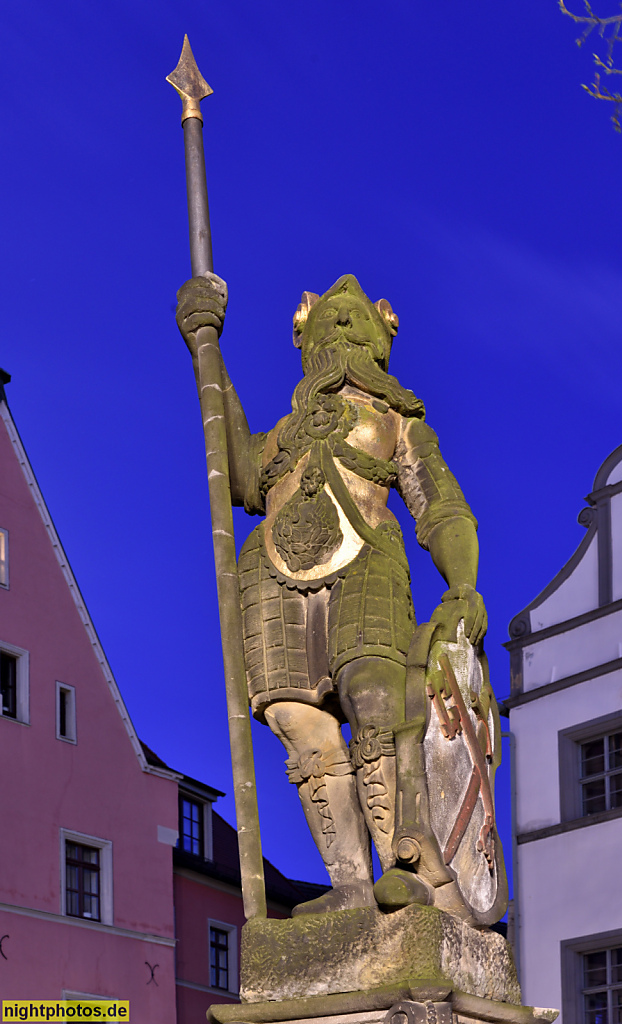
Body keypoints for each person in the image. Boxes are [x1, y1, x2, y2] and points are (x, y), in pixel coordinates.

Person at [176, 272, 490, 917]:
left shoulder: (396, 419)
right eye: (330, 318)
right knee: (301, 726)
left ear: (383, 332)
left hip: (365, 561)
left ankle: (408, 868)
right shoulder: (285, 432)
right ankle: (349, 883)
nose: (342, 327)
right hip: (271, 574)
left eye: (357, 320)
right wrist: (207, 349)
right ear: (304, 330)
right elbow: (238, 476)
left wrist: (462, 584)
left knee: (374, 697)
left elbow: (440, 505)